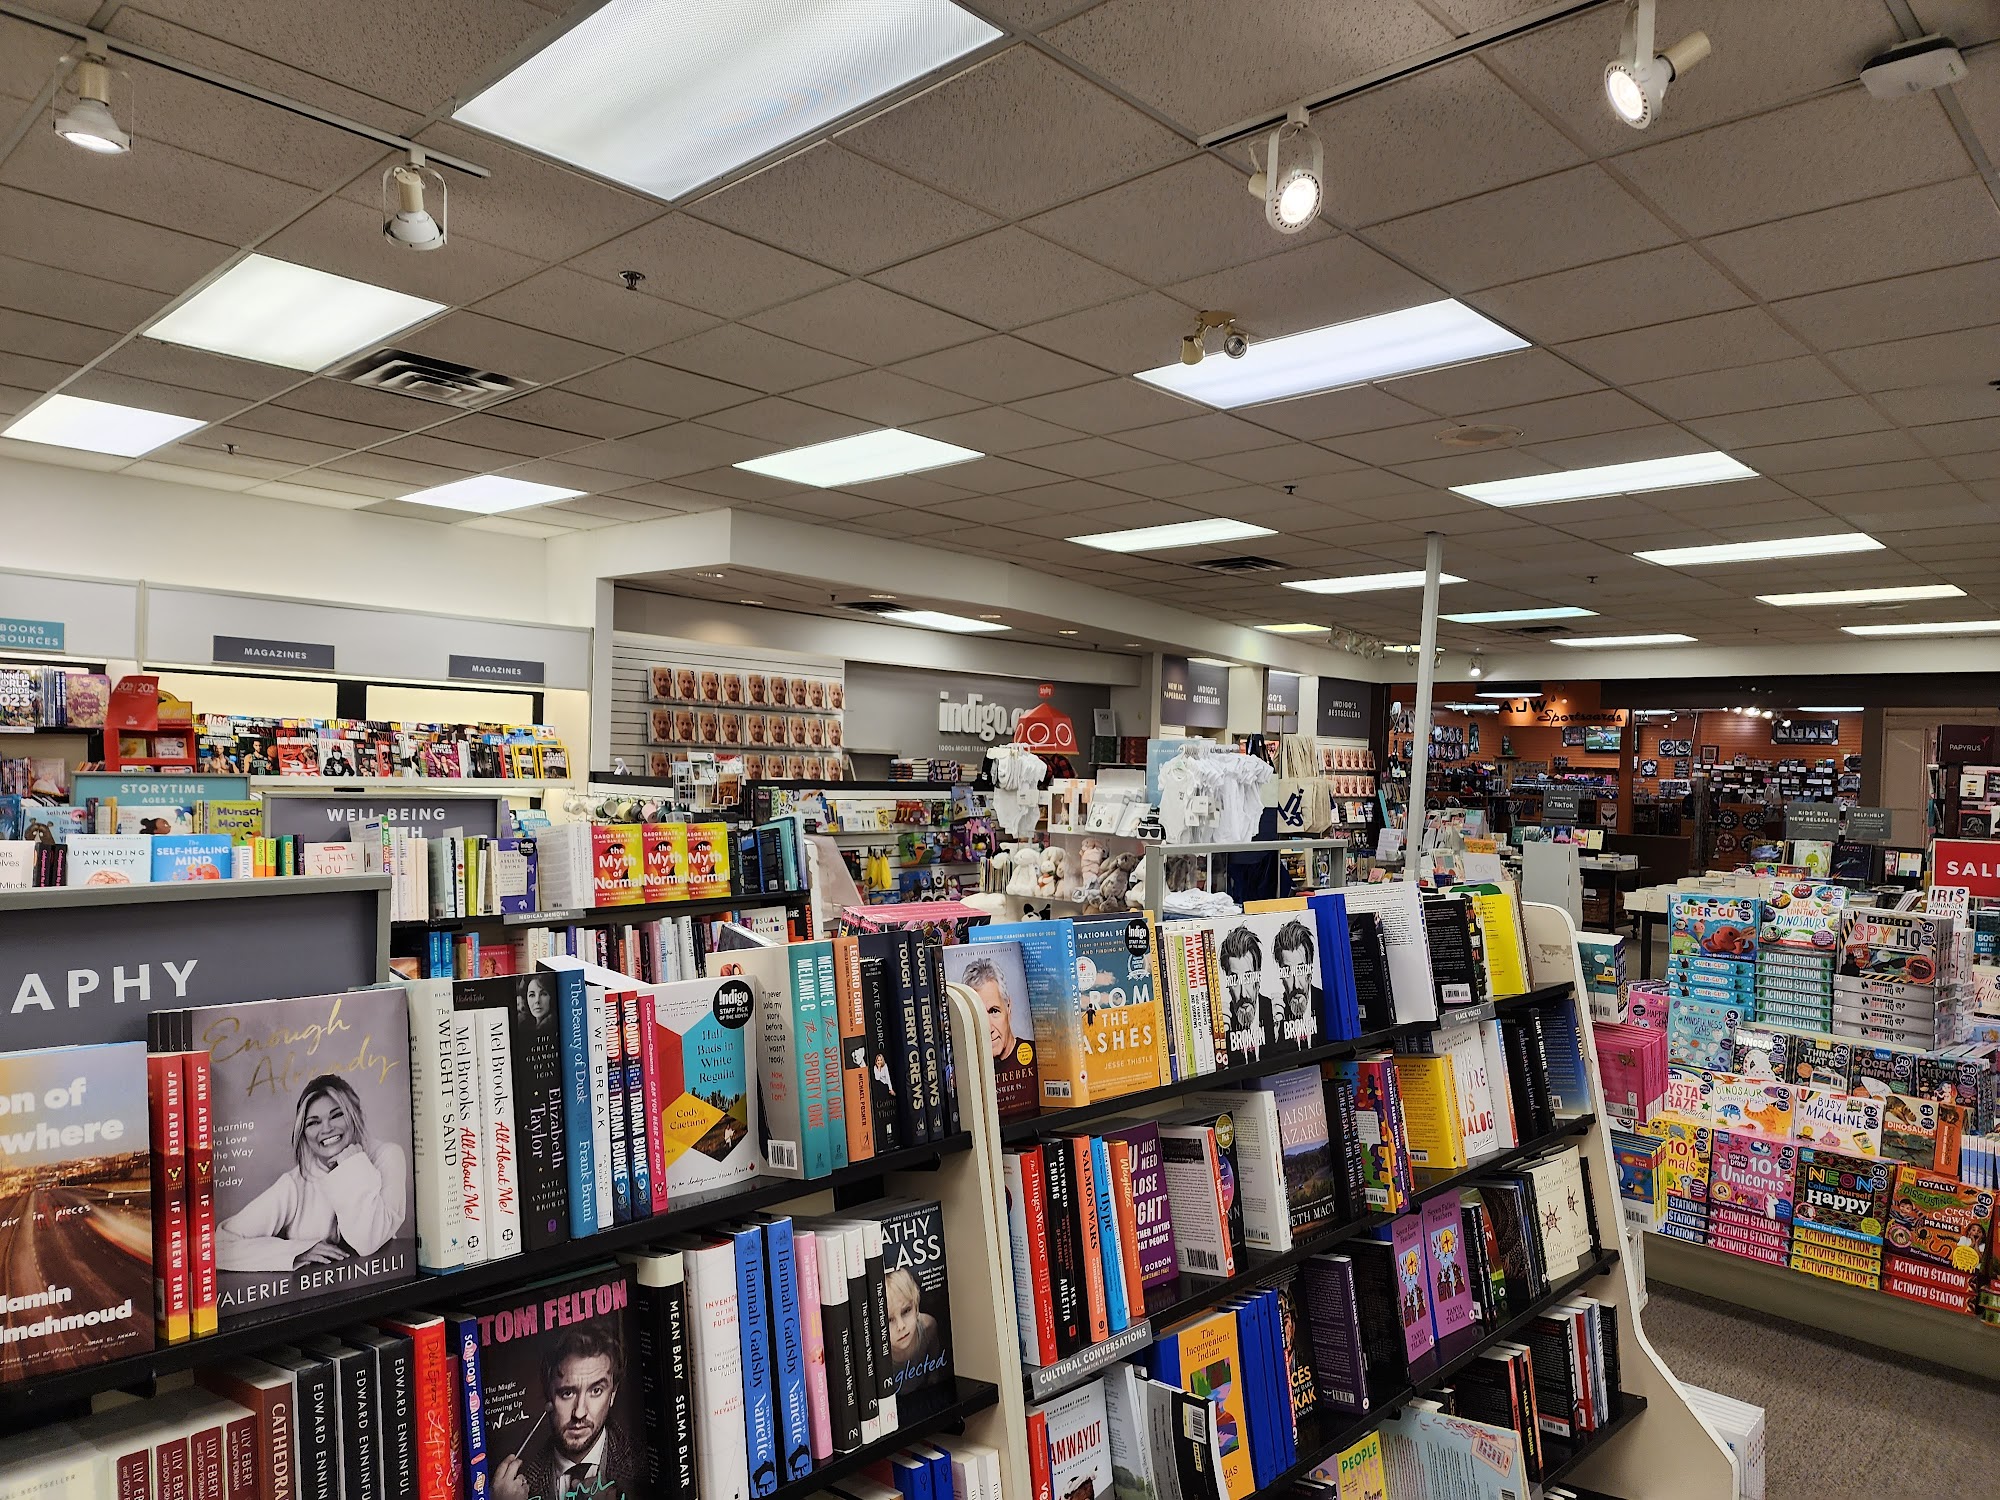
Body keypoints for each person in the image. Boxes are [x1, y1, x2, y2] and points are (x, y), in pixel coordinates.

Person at [216, 1074, 407, 1271]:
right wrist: (297, 1251)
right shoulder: (295, 1184)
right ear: (303, 1134)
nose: (327, 1129)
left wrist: (352, 1165)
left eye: (337, 1115)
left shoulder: (387, 1156)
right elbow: (220, 1246)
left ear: (355, 1115)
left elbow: (368, 1242)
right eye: (313, 1123)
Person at [492, 1326, 637, 1500]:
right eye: (567, 1393)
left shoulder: (641, 1464)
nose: (579, 1413)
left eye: (596, 1390)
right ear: (549, 1394)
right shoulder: (517, 1484)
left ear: (612, 1394)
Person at [883, 1265, 942, 1391]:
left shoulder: (928, 1326)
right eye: (889, 1320)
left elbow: (934, 1351)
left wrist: (933, 1376)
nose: (901, 1326)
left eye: (906, 1311)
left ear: (916, 1306)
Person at [1218, 924, 1270, 1060]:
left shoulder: (1275, 1014)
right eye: (1235, 979)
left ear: (1257, 978)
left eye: (1248, 977)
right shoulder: (1223, 1022)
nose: (1243, 993)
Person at [1272, 919, 1322, 1046]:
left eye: (1300, 969)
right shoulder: (1275, 1015)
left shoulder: (1325, 1003)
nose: (1296, 984)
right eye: (1288, 971)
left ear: (1310, 970)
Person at [958, 955, 1018, 1060]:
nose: (989, 1028)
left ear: (1008, 1008)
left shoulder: (1034, 1054)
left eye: (994, 1011)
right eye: (979, 1015)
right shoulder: (966, 1065)